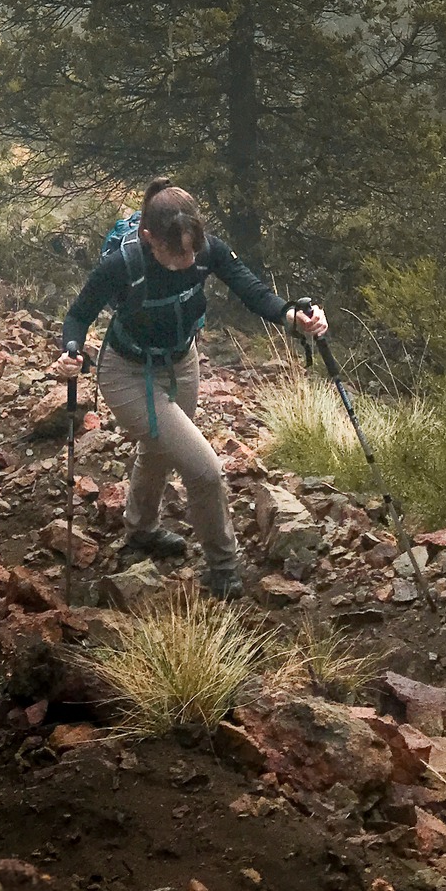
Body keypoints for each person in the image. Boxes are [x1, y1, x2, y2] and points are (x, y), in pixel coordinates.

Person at [53, 177, 327, 600]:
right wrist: (71, 352)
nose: (187, 261)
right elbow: (77, 316)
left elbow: (253, 292)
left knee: (160, 450)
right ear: (149, 238)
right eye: (176, 252)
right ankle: (224, 566)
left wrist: (293, 317)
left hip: (182, 361)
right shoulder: (123, 265)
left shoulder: (206, 250)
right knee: (205, 469)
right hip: (127, 372)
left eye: (192, 251)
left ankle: (141, 529)